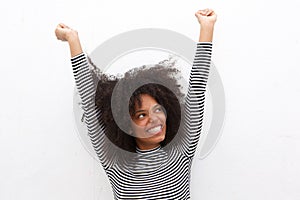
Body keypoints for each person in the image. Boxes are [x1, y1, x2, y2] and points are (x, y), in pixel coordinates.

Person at [55, 8, 217, 200]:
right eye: (142, 115)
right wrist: (73, 40)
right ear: (126, 125)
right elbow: (90, 105)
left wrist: (207, 27)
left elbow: (197, 89)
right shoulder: (115, 164)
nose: (154, 119)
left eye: (158, 109)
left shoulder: (180, 153)